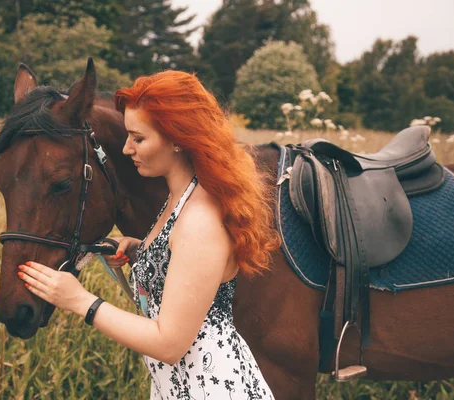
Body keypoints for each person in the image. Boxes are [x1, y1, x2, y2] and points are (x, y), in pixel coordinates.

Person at [17, 70, 280, 399]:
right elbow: (185, 261)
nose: (127, 149)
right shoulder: (180, 197)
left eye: (138, 138)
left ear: (177, 139)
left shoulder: (199, 219)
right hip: (181, 387)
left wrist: (81, 301)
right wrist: (142, 250)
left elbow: (169, 344)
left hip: (211, 389)